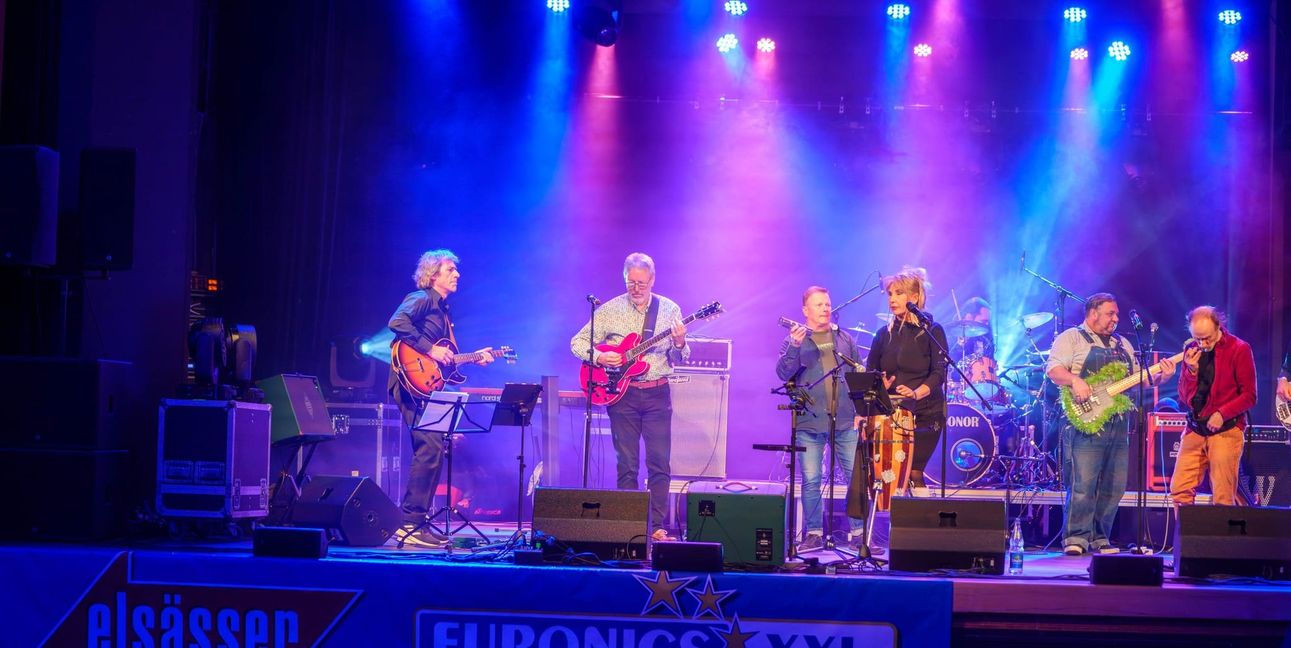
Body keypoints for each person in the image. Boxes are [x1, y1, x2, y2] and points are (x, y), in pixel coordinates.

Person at [1046, 293, 1175, 556]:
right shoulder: (1071, 338)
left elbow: (1141, 380)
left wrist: (1162, 376)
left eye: (1116, 314)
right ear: (1093, 313)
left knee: (1114, 485)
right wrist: (1076, 380)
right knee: (1083, 483)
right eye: (1111, 313)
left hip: (1117, 423)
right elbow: (1054, 370)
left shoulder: (1123, 344)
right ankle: (1076, 538)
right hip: (1085, 421)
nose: (1116, 318)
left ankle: (1100, 537)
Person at [570, 253, 687, 541]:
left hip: (657, 393)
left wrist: (680, 342)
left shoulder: (669, 309)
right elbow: (577, 342)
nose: (636, 288)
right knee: (627, 464)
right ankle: (629, 525)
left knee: (659, 462)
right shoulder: (610, 309)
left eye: (642, 283)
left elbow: (680, 357)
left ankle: (656, 527)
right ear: (625, 279)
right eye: (631, 282)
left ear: (653, 280)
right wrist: (600, 355)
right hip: (622, 395)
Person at [388, 249, 494, 547]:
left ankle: (417, 521)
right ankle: (409, 521)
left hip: (427, 384)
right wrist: (430, 349)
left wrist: (474, 358)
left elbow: (443, 361)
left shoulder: (444, 311)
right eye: (450, 269)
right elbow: (397, 323)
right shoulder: (421, 298)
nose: (457, 274)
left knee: (434, 447)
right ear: (433, 274)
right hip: (409, 383)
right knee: (430, 445)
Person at [775, 286, 865, 552]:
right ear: (805, 310)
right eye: (819, 305)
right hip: (810, 422)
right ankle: (813, 533)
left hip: (846, 421)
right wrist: (794, 346)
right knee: (812, 479)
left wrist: (861, 411)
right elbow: (782, 373)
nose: (826, 308)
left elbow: (859, 372)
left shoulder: (845, 339)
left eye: (827, 304)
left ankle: (859, 533)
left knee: (854, 478)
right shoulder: (795, 339)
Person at [865, 269, 948, 497]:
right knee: (892, 475)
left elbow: (939, 372)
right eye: (890, 293)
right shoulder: (883, 334)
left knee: (913, 472)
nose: (892, 299)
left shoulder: (932, 330)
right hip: (893, 415)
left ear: (913, 297)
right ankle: (893, 526)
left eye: (898, 293)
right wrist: (879, 382)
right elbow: (871, 371)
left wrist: (915, 393)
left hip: (925, 413)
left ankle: (922, 528)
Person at [1170, 306, 1257, 506]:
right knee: (1179, 489)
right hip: (1195, 428)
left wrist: (1222, 413)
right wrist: (1191, 371)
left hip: (1225, 429)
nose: (1203, 343)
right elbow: (1184, 397)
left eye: (1207, 338)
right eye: (1198, 338)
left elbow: (1250, 396)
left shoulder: (1239, 348)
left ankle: (1222, 538)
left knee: (1223, 495)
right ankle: (1186, 538)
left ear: (1219, 326)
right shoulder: (1191, 349)